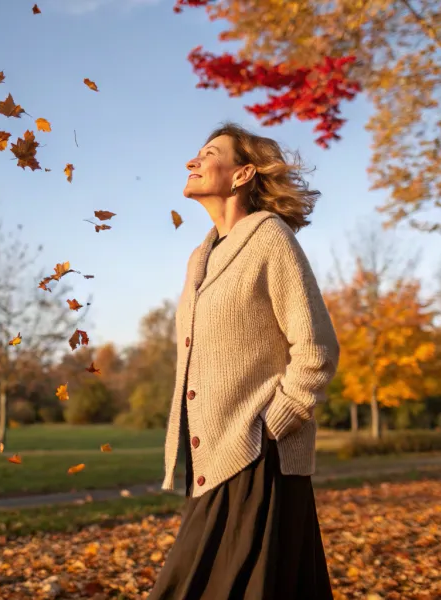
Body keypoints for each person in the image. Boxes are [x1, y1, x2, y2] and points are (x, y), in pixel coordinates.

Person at [146, 123, 340, 600]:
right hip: (212, 454)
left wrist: (276, 421)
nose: (192, 162)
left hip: (259, 452)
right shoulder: (200, 257)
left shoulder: (270, 238)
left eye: (208, 153)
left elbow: (316, 348)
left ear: (242, 174)